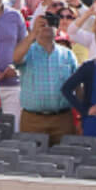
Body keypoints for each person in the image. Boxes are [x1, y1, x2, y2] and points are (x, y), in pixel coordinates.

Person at [12, 9, 77, 143]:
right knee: (30, 161)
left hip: (62, 119)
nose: (47, 27)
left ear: (57, 28)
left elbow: (78, 86)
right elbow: (16, 58)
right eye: (43, 24)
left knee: (63, 160)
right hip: (33, 120)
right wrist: (32, 34)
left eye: (51, 23)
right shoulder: (28, 51)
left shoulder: (68, 55)